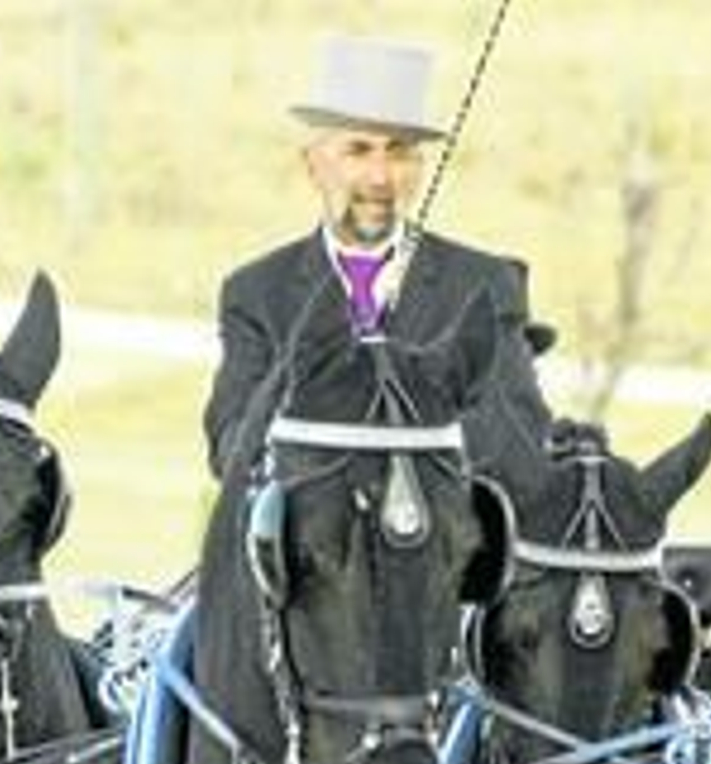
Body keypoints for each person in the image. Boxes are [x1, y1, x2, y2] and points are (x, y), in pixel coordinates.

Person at [201, 34, 554, 478]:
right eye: (358, 150)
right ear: (314, 165)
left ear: (420, 168)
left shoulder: (483, 284)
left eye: (399, 152)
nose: (381, 176)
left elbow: (525, 447)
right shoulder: (257, 292)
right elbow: (230, 453)